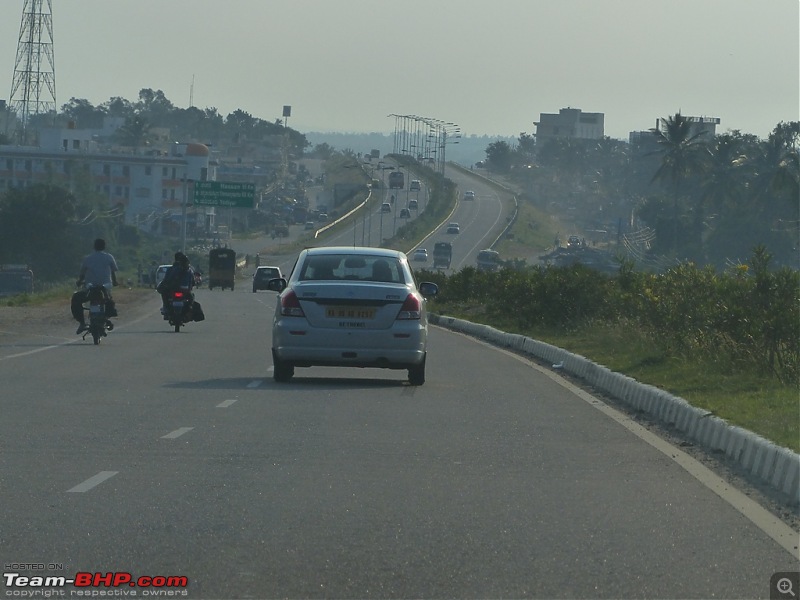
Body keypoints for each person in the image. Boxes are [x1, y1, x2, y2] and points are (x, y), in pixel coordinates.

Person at [72, 238, 119, 334]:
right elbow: (113, 272)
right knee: (109, 302)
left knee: (76, 299)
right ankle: (105, 318)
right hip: (105, 288)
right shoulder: (109, 257)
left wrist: (79, 281)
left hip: (90, 288)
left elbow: (82, 274)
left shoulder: (88, 258)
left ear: (94, 247)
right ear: (104, 247)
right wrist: (114, 282)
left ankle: (82, 322)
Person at [158, 252, 195, 318]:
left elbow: (168, 279)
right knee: (191, 297)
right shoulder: (190, 271)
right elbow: (193, 282)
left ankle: (166, 308)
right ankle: (189, 309)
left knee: (164, 294)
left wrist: (165, 285)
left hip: (174, 289)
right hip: (185, 290)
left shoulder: (174, 269)